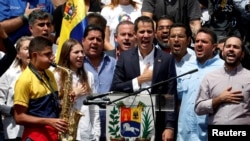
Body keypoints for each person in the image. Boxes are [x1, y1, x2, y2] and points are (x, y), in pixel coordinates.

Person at [110, 16, 177, 141]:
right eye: (142, 32)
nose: (145, 35)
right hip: (129, 120)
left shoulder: (167, 59)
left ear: (155, 34)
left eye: (149, 32)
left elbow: (170, 94)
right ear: (135, 34)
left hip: (158, 122)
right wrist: (139, 80)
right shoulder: (125, 58)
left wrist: (169, 127)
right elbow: (115, 87)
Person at [13, 36, 68, 141]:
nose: (52, 57)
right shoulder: (24, 80)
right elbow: (19, 117)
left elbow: (46, 105)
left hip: (52, 135)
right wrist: (49, 121)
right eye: (47, 54)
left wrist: (64, 98)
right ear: (34, 55)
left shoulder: (49, 73)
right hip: (35, 136)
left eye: (51, 53)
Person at [176, 28, 224, 141]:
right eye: (197, 41)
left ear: (214, 47)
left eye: (204, 42)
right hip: (184, 135)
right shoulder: (186, 66)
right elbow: (178, 100)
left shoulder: (223, 68)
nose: (199, 44)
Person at [195, 35, 250, 125]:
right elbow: (198, 108)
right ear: (223, 52)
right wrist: (219, 99)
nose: (231, 49)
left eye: (236, 47)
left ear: (242, 54)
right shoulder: (210, 77)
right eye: (228, 46)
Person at [54, 38, 101, 140]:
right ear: (66, 55)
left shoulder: (89, 76)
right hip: (65, 131)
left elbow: (94, 107)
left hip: (86, 132)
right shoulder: (56, 76)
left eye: (82, 52)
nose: (81, 55)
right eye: (76, 52)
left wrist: (96, 133)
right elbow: (55, 105)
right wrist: (75, 93)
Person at [82, 24, 116, 141]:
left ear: (103, 43)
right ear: (83, 41)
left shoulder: (114, 63)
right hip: (86, 121)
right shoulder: (77, 64)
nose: (95, 42)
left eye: (99, 39)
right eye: (91, 38)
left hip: (111, 121)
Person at [0, 36, 32, 141]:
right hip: (13, 131)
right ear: (17, 54)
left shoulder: (45, 75)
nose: (30, 52)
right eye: (26, 48)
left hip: (35, 131)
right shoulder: (8, 74)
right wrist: (13, 111)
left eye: (33, 48)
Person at [168, 23, 195, 102]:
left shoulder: (197, 61)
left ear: (188, 40)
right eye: (173, 36)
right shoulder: (162, 61)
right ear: (169, 40)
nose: (176, 40)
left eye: (180, 36)